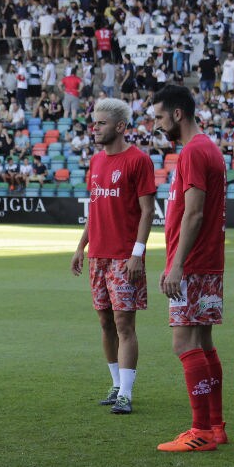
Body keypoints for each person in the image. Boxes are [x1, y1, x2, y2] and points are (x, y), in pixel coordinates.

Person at [151, 84, 227, 452]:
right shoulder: (209, 148)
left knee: (183, 342)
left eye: (160, 117)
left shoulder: (194, 153)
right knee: (204, 342)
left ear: (178, 114)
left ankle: (199, 431)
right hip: (208, 262)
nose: (157, 124)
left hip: (193, 264)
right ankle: (215, 426)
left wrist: (177, 264)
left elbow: (194, 212)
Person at [70, 99, 155, 415]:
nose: (95, 128)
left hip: (124, 256)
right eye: (94, 123)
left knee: (124, 324)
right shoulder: (95, 161)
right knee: (105, 322)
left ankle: (127, 394)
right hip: (99, 256)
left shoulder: (138, 161)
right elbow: (94, 208)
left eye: (101, 123)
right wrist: (82, 247)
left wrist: (137, 253)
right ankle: (116, 384)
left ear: (120, 126)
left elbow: (147, 212)